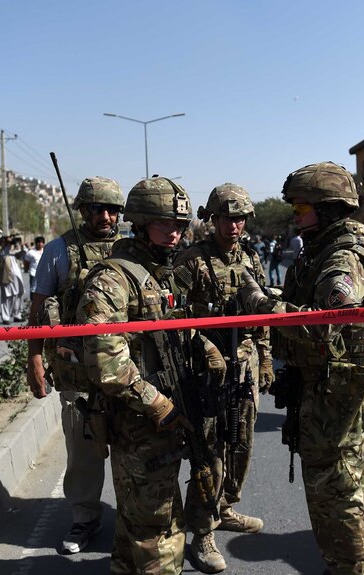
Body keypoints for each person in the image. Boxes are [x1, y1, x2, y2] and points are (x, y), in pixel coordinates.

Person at [238, 161, 364, 575]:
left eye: (301, 208)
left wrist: (260, 303)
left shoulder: (344, 257)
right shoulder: (324, 249)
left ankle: (349, 567)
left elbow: (322, 326)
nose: (296, 215)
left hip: (336, 391)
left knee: (333, 491)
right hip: (330, 387)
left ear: (327, 209)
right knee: (349, 484)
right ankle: (362, 563)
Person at [76, 176, 224, 573]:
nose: (175, 232)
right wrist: (158, 404)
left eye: (180, 224)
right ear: (140, 223)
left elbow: (167, 327)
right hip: (138, 423)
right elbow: (107, 364)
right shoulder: (112, 279)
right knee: (158, 531)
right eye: (165, 224)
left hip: (164, 417)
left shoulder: (160, 272)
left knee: (132, 531)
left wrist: (202, 344)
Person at [173, 183, 272, 572]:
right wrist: (203, 345)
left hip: (243, 366)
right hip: (206, 373)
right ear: (212, 219)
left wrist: (264, 358)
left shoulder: (250, 255)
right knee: (209, 453)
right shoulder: (191, 260)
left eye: (241, 218)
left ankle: (225, 507)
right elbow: (172, 320)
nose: (235, 225)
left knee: (241, 444)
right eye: (228, 218)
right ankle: (201, 531)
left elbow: (260, 310)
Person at [26, 176, 124, 554]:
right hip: (77, 372)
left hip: (126, 370)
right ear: (82, 210)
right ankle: (84, 518)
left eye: (112, 209)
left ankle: (133, 518)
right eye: (97, 209)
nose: (105, 216)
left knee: (133, 449)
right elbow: (38, 309)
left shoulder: (132, 249)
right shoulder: (58, 250)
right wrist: (34, 359)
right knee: (83, 452)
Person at [0, 236, 25, 324]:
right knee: (7, 297)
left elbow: (23, 253)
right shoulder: (2, 252)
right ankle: (6, 318)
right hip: (6, 277)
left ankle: (17, 315)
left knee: (18, 295)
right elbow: (4, 253)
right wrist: (8, 242)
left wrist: (19, 243)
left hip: (17, 278)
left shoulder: (13, 251)